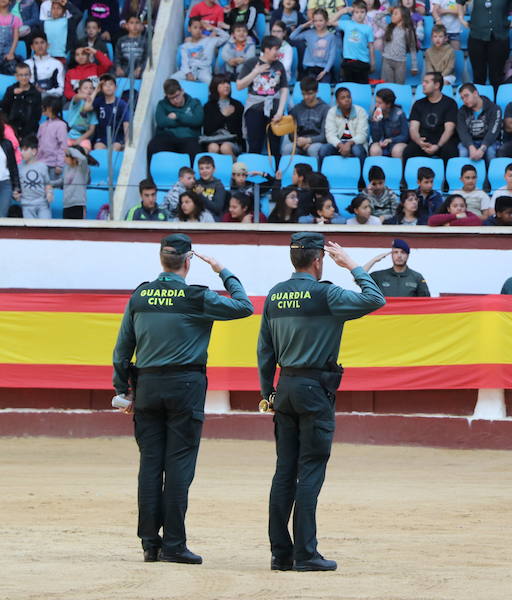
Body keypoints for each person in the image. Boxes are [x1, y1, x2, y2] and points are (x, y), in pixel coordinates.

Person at [113, 234, 253, 565]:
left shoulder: (141, 295)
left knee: (150, 464)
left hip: (147, 386)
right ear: (188, 261)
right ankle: (174, 543)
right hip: (185, 386)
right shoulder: (196, 296)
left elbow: (122, 349)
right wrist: (224, 271)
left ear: (162, 261)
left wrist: (123, 390)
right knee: (178, 465)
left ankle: (150, 543)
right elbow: (244, 306)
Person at [259, 231, 386, 582]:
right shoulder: (326, 293)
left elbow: (265, 351)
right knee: (310, 470)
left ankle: (280, 553)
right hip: (315, 389)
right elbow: (375, 299)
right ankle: (305, 553)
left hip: (284, 389)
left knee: (284, 471)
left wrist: (267, 392)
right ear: (319, 260)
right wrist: (352, 265)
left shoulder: (275, 295)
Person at [238, 36, 290, 164]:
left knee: (275, 146)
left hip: (274, 108)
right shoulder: (251, 63)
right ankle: (252, 179)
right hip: (255, 107)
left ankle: (274, 179)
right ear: (266, 49)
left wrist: (280, 111)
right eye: (275, 49)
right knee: (255, 145)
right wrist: (255, 72)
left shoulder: (279, 65)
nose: (277, 53)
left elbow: (284, 89)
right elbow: (239, 85)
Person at [463, 0, 512, 87]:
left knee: (497, 76)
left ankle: (496, 99)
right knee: (478, 75)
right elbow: (459, 1)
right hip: (476, 37)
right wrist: (460, 18)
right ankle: (479, 99)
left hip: (499, 38)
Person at [146, 79, 203, 168]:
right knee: (153, 146)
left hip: (188, 137)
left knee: (195, 150)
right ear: (166, 96)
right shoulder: (162, 104)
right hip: (168, 136)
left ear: (182, 91)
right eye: (171, 98)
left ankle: (192, 179)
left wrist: (177, 116)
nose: (175, 100)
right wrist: (187, 121)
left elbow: (198, 120)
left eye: (177, 96)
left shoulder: (194, 102)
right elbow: (161, 122)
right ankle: (153, 179)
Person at [403, 72, 458, 161]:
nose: (423, 85)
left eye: (426, 82)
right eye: (423, 82)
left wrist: (438, 145)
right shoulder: (418, 104)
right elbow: (413, 128)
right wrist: (419, 142)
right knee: (408, 152)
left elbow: (449, 129)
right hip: (423, 142)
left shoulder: (450, 103)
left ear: (436, 85)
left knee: (450, 151)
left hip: (443, 142)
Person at [172, 17, 229, 84]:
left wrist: (212, 28)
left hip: (204, 70)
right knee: (172, 79)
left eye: (200, 28)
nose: (198, 30)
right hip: (189, 70)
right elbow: (184, 62)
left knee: (211, 83)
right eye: (195, 27)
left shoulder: (210, 40)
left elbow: (226, 36)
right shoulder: (185, 46)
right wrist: (188, 73)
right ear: (189, 29)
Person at [330, 0, 375, 84]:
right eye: (356, 12)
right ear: (352, 13)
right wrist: (343, 11)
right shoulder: (347, 24)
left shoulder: (368, 28)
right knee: (348, 86)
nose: (359, 15)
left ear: (366, 13)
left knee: (362, 87)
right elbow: (330, 22)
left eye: (362, 12)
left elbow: (371, 47)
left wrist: (372, 62)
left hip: (363, 63)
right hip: (348, 62)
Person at [291, 9, 340, 82]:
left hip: (324, 69)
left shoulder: (331, 37)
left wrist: (325, 71)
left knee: (324, 86)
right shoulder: (309, 33)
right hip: (310, 68)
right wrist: (303, 26)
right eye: (315, 21)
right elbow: (292, 37)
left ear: (326, 21)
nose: (318, 23)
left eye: (321, 20)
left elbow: (332, 55)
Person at [201, 74, 244, 156]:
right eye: (222, 83)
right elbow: (208, 130)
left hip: (232, 140)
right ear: (215, 86)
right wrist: (223, 115)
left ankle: (234, 168)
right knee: (213, 148)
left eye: (228, 83)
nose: (226, 86)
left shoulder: (237, 105)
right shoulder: (209, 106)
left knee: (225, 147)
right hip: (213, 139)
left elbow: (239, 130)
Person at [457, 84, 501, 162]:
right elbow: (462, 132)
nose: (464, 100)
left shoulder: (494, 108)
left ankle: (489, 173)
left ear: (475, 93)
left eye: (466, 96)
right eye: (462, 98)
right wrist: (471, 147)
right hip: (470, 141)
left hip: (489, 141)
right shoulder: (462, 111)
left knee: (490, 151)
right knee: (463, 151)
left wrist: (482, 148)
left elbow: (493, 131)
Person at [321, 86, 369, 159]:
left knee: (357, 150)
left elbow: (362, 135)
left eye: (348, 97)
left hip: (355, 143)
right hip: (338, 144)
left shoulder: (360, 111)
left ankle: (362, 170)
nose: (347, 100)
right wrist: (340, 145)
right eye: (343, 98)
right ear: (337, 101)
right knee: (323, 150)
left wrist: (349, 143)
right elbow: (330, 135)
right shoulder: (332, 112)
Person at [0, 63, 42, 139]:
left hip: (29, 132)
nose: (24, 78)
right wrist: (12, 95)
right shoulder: (10, 90)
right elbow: (4, 109)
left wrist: (23, 135)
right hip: (11, 130)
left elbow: (36, 117)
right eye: (21, 75)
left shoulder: (36, 93)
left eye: (26, 75)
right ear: (16, 76)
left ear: (30, 76)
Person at [93, 74, 132, 151]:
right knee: (98, 148)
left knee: (114, 149)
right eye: (105, 85)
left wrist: (127, 143)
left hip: (117, 137)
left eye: (111, 84)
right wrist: (96, 90)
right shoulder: (99, 101)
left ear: (116, 87)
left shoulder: (121, 104)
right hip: (103, 137)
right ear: (101, 88)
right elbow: (86, 107)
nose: (108, 87)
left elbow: (126, 123)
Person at [18, 134, 53, 219]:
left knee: (45, 226)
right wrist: (17, 193)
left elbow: (47, 183)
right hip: (26, 205)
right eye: (21, 149)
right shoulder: (19, 167)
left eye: (25, 150)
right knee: (30, 229)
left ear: (34, 151)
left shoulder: (42, 166)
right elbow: (17, 185)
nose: (22, 152)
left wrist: (49, 193)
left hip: (42, 204)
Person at [381, 5, 418, 83]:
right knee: (388, 85)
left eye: (395, 14)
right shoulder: (389, 27)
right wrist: (387, 11)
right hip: (387, 60)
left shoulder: (408, 31)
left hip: (400, 62)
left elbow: (413, 49)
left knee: (399, 85)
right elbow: (376, 19)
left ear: (403, 16)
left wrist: (414, 66)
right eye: (392, 14)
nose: (392, 16)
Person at [368, 87, 408, 158]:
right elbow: (375, 139)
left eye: (379, 103)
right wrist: (376, 122)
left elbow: (405, 136)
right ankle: (377, 169)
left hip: (397, 143)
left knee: (397, 151)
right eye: (376, 102)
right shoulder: (374, 113)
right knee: (374, 150)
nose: (376, 105)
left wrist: (390, 140)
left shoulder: (400, 114)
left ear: (388, 104)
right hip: (381, 143)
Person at [25, 33, 64, 97]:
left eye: (42, 42)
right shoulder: (27, 64)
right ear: (32, 47)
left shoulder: (57, 64)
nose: (40, 46)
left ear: (48, 45)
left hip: (50, 98)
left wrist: (45, 92)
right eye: (36, 43)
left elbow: (61, 89)